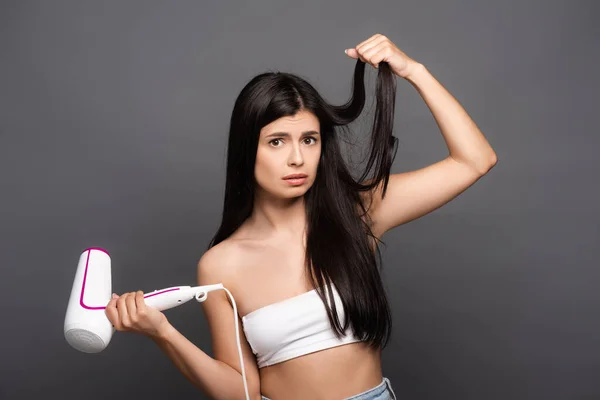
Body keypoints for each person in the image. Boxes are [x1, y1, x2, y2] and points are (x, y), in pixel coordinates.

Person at [105, 33, 497, 400]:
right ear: (247, 151)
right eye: (277, 142)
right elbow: (240, 391)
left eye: (309, 140)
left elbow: (475, 160)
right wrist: (162, 333)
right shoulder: (221, 263)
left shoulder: (358, 213)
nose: (297, 158)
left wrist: (414, 71)